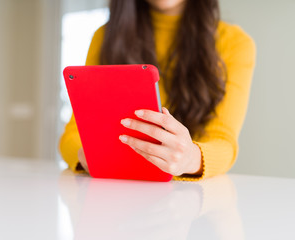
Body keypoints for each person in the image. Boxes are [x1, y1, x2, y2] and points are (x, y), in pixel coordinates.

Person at [59, 0, 256, 181]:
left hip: (192, 199)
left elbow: (223, 140)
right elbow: (73, 134)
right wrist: (87, 157)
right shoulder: (105, 37)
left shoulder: (235, 43)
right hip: (115, 191)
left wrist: (190, 159)